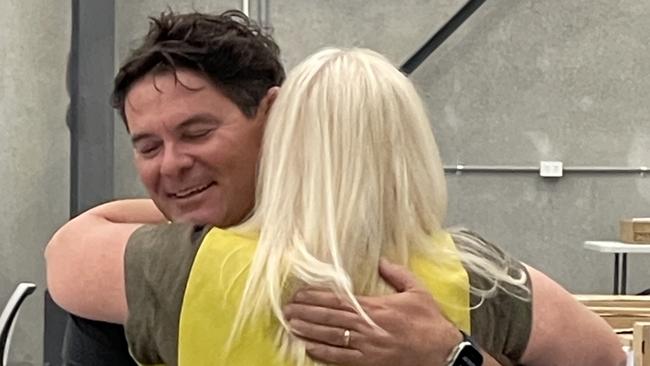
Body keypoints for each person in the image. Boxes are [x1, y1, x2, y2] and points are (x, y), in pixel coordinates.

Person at [46, 41, 626, 366]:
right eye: (150, 146)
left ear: (277, 128)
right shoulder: (475, 277)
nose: (171, 164)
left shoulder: (178, 266)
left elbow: (70, 251)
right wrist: (456, 357)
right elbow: (605, 357)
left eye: (197, 134)